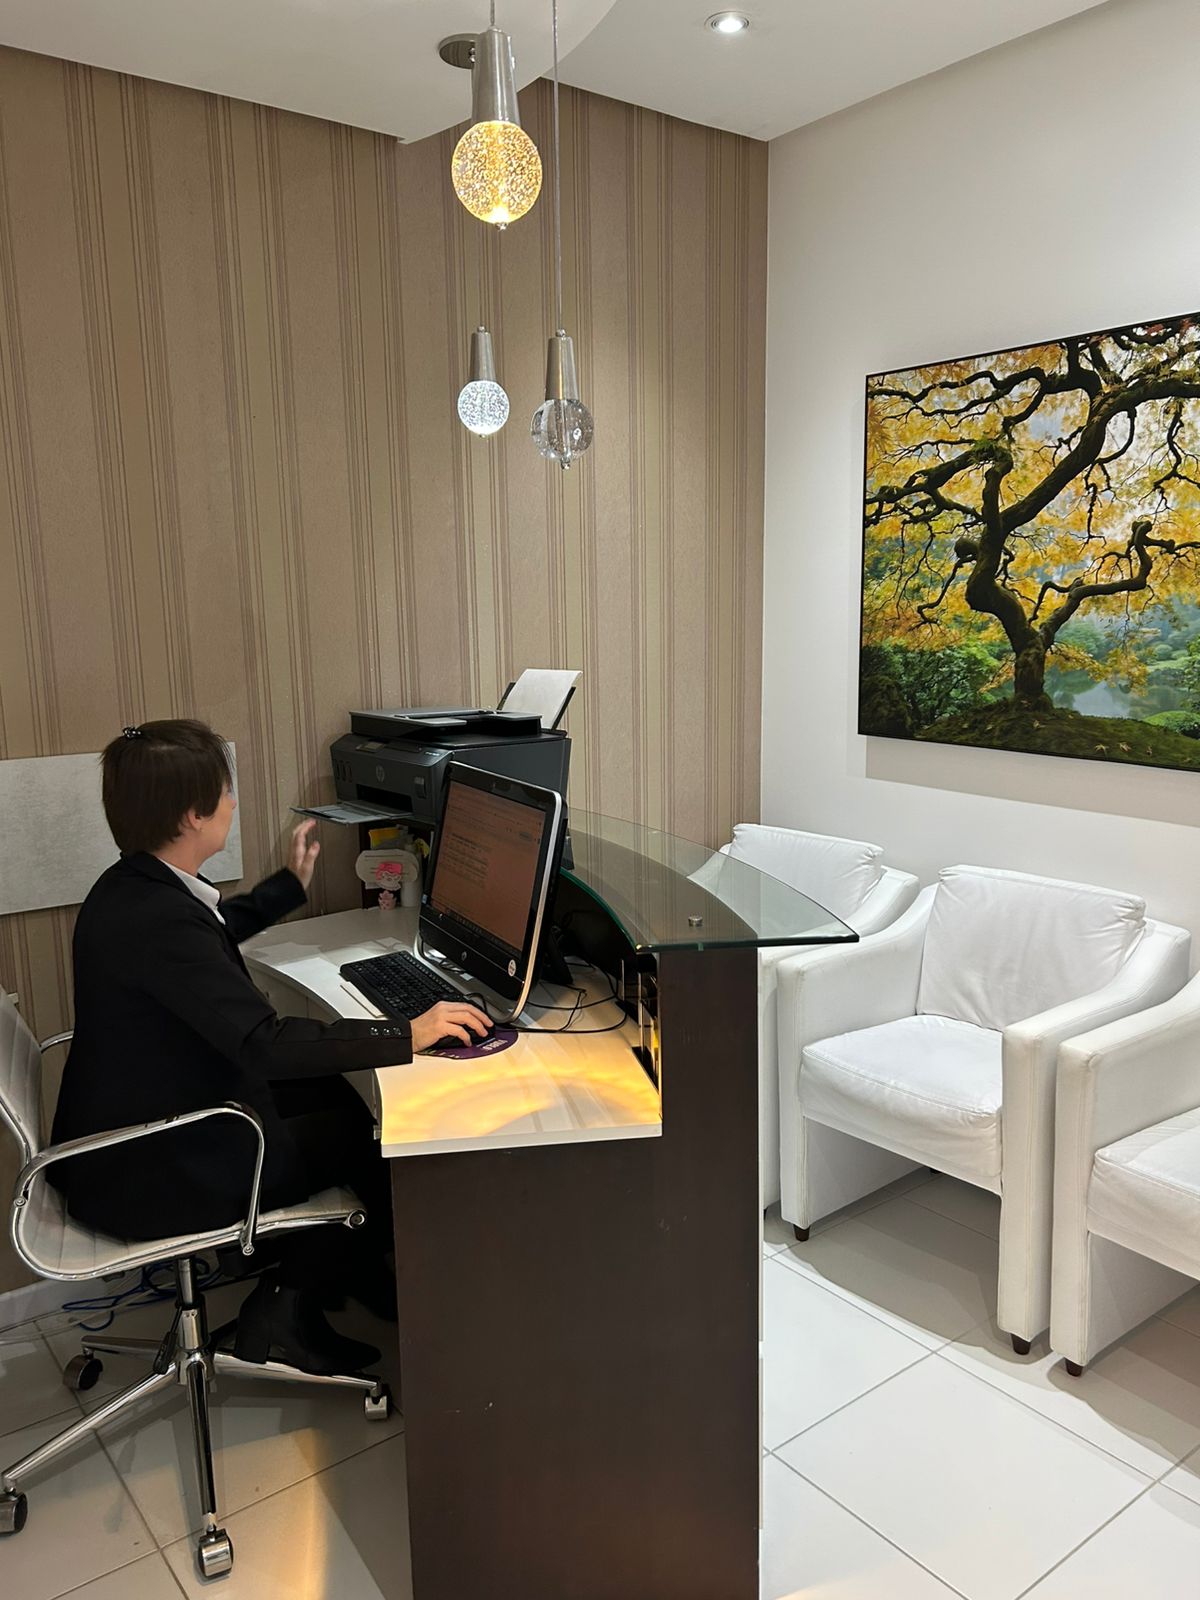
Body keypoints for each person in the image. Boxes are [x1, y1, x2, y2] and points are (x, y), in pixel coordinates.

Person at [50, 719, 490, 1375]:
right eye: (225, 793)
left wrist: (286, 887)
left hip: (129, 1133)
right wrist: (407, 1032)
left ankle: (344, 1271)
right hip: (150, 1168)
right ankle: (286, 1307)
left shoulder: (133, 889)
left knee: (333, 1092)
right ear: (193, 815)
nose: (233, 803)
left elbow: (207, 935)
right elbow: (265, 1044)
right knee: (363, 1132)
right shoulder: (159, 918)